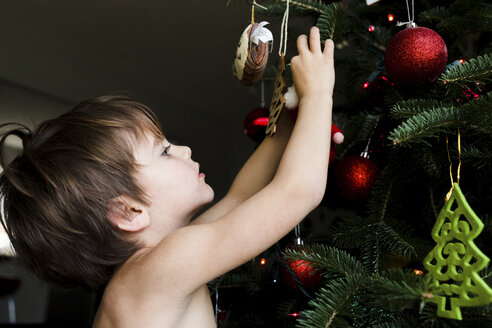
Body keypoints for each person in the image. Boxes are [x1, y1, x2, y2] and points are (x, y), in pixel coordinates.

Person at [0, 27, 334, 327]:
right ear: (129, 212)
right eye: (164, 151)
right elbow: (298, 192)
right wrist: (319, 93)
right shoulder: (159, 269)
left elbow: (241, 197)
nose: (185, 149)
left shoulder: (155, 263)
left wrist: (294, 121)